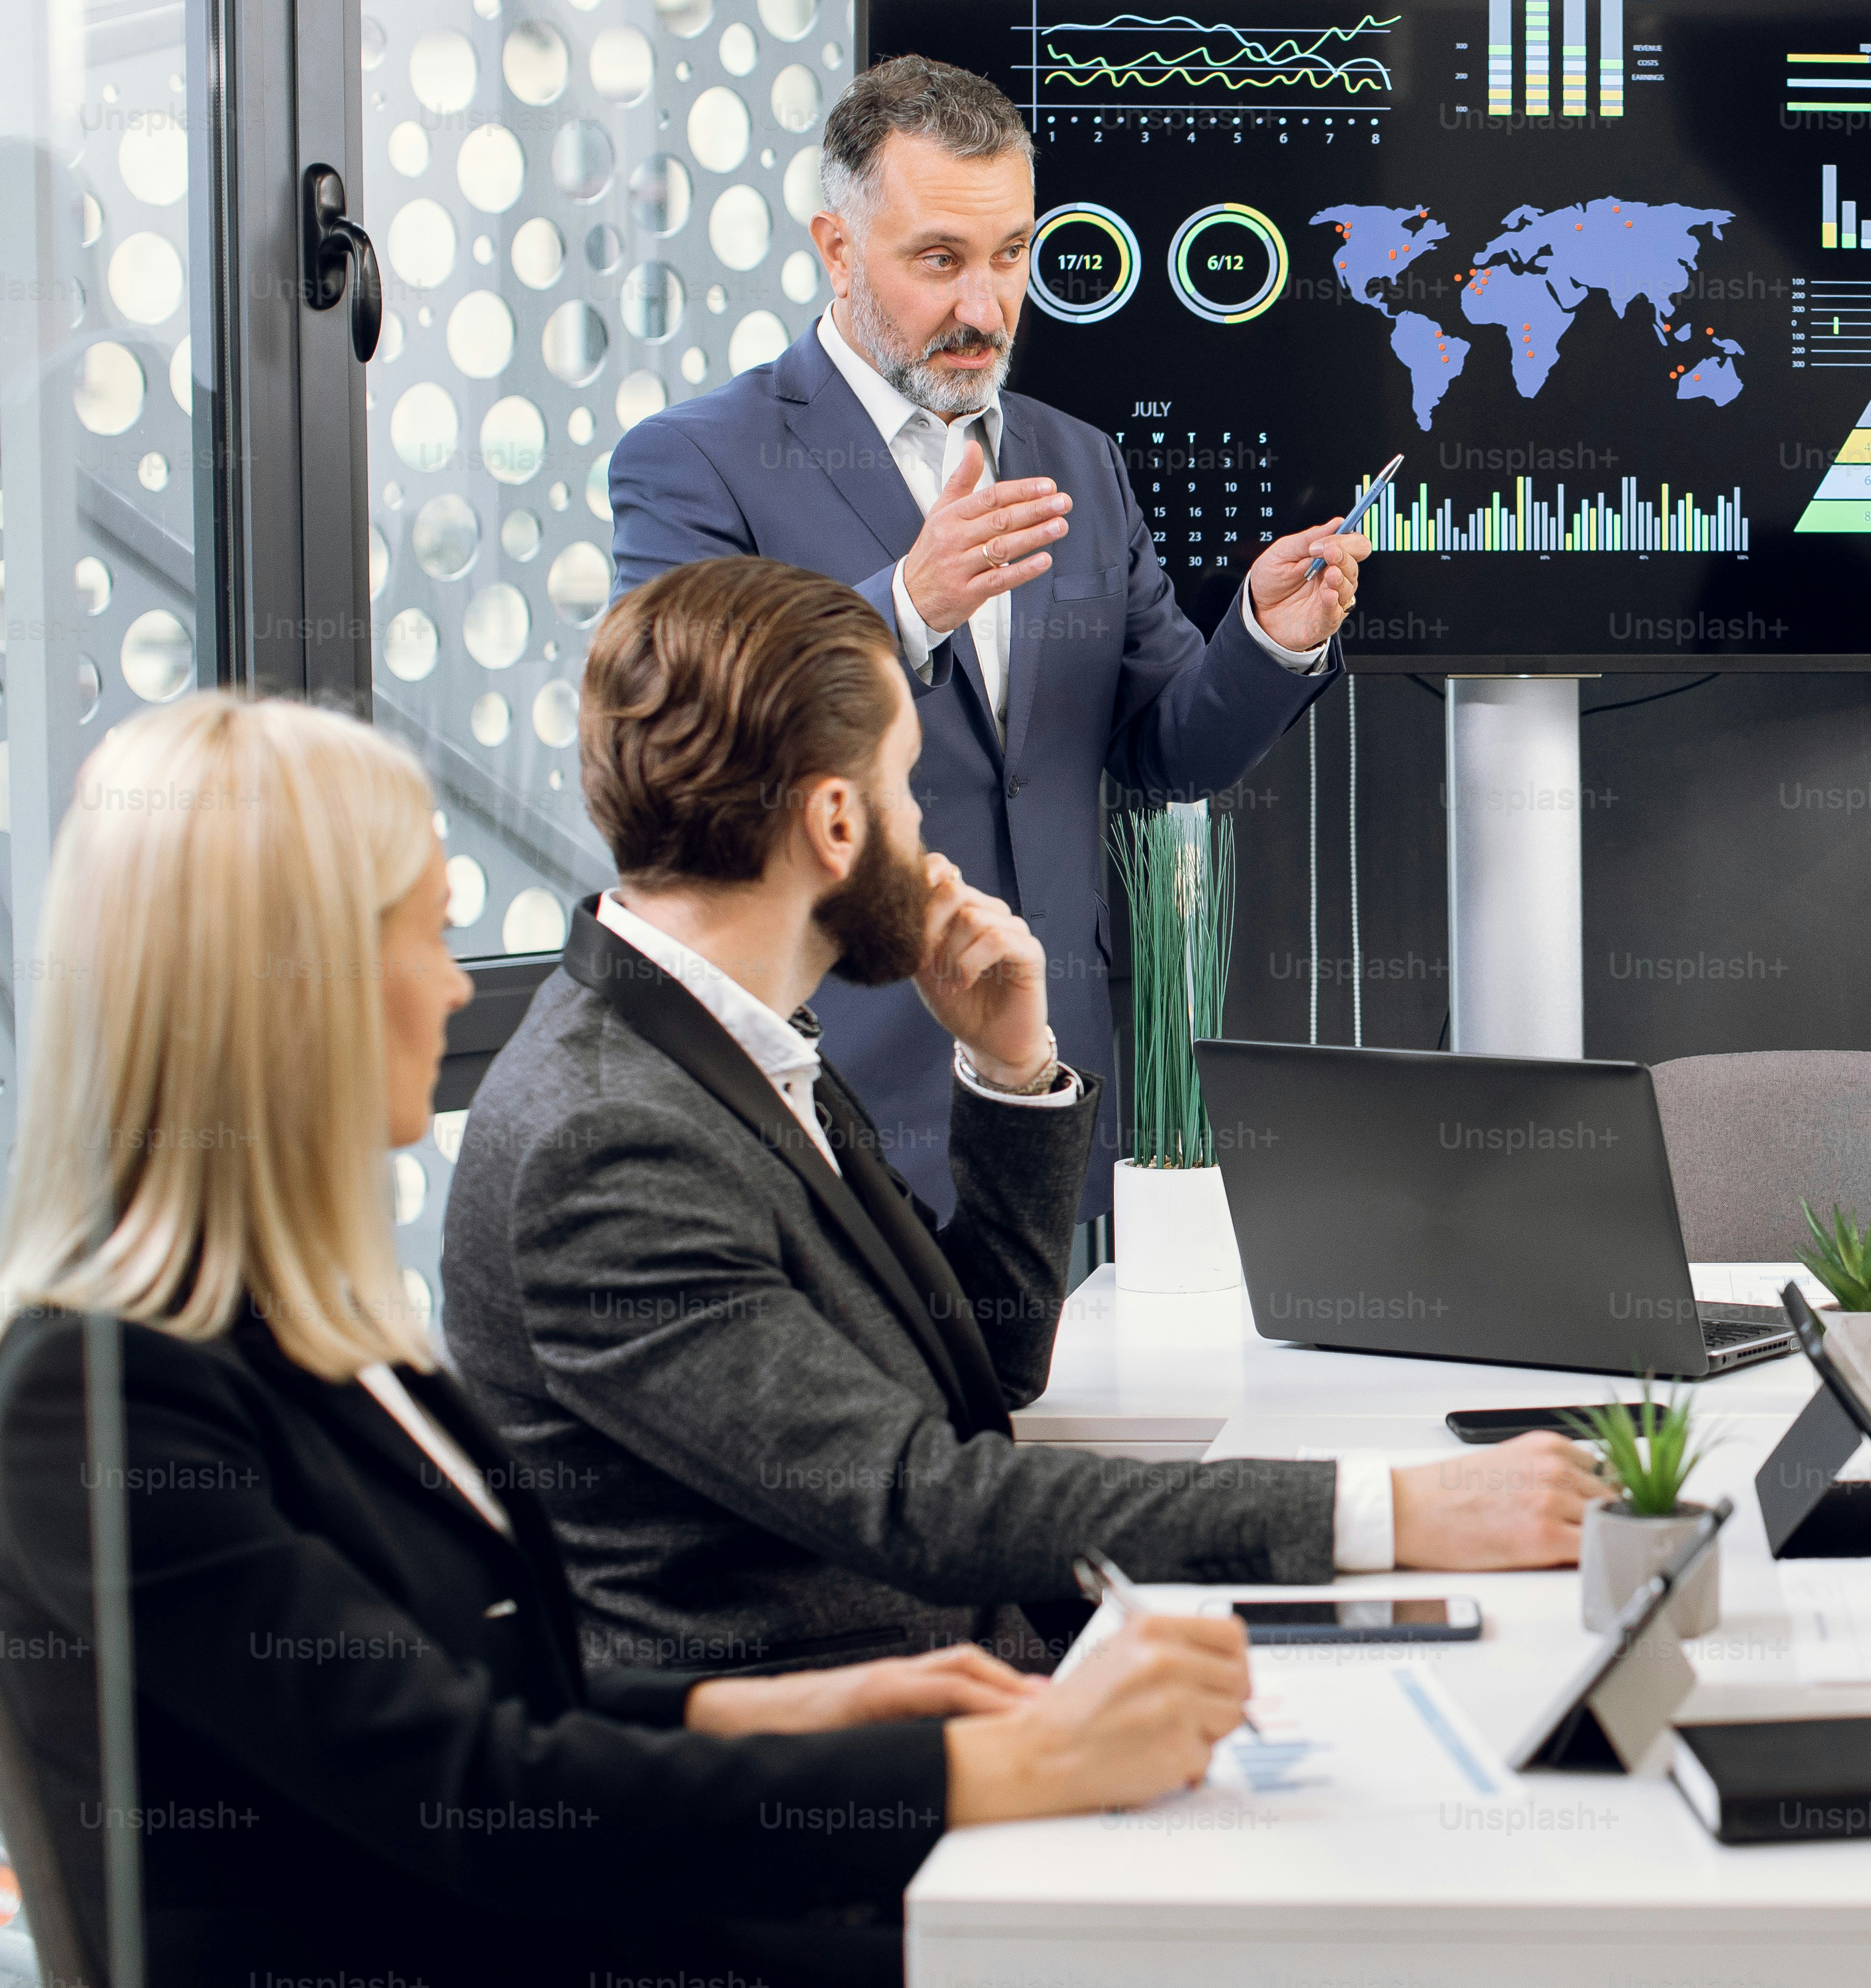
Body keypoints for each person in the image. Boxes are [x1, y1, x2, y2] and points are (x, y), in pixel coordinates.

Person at [0, 693, 1262, 1988]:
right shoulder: (96, 1402)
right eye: (428, 934)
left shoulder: (321, 1339)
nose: (455, 986)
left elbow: (495, 1685)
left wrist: (781, 1708)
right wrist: (1008, 1761)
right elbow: (473, 1793)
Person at [443, 556, 1604, 1685]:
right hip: (881, 1750)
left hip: (987, 1667)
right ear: (837, 822)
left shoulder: (727, 1033)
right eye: (907, 789)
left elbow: (984, 1363)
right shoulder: (614, 1136)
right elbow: (917, 1499)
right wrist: (1390, 1509)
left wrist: (1010, 1073)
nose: (924, 832)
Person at [612, 53, 1361, 1214]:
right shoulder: (696, 460)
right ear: (836, 249)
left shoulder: (1079, 461)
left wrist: (1265, 637)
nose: (985, 308)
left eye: (1012, 254)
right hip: (827, 1113)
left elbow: (1170, 750)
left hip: (1048, 1105)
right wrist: (906, 608)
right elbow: (678, 747)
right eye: (940, 261)